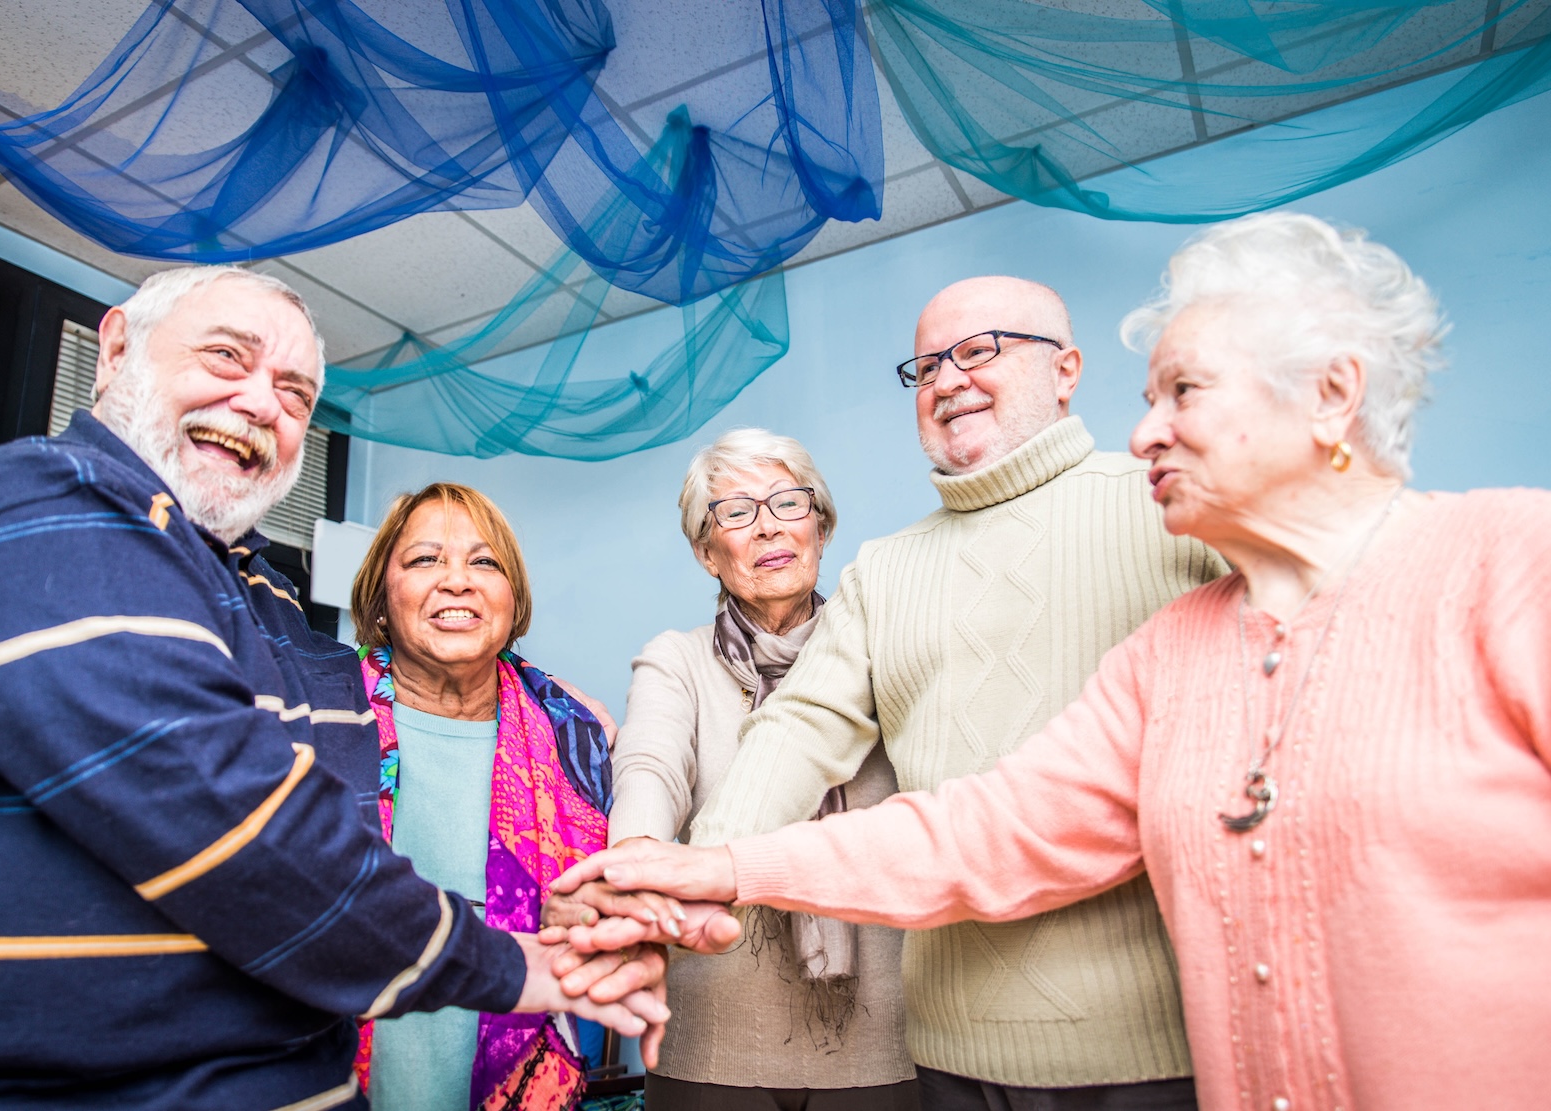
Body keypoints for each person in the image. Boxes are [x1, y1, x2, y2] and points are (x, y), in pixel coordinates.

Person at [554, 212, 1551, 1111]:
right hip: (974, 1051)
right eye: (925, 365)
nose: (1144, 429)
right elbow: (984, 828)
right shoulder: (1173, 654)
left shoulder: (1509, 565)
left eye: (1183, 391)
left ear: (1332, 393)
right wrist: (707, 868)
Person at [0, 265, 666, 1110]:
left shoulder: (264, 598)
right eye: (226, 356)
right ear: (114, 351)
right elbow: (244, 824)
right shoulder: (43, 509)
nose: (262, 403)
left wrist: (554, 713)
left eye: (295, 393)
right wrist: (521, 963)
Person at [557, 274, 1225, 1107]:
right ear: (705, 548)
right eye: (926, 367)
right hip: (947, 1054)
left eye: (978, 350)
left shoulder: (1176, 503)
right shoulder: (885, 573)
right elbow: (790, 733)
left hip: (1154, 1046)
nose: (948, 380)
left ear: (1067, 370)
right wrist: (670, 883)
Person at [549, 429, 918, 1109]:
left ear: (822, 526)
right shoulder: (677, 659)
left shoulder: (885, 649)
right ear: (705, 551)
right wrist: (636, 868)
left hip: (880, 1043)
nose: (768, 526)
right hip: (711, 1041)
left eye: (788, 502)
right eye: (737, 512)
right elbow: (649, 767)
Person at [348, 481, 628, 1110]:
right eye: (425, 559)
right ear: (382, 598)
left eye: (484, 562)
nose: (458, 581)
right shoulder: (324, 719)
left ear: (513, 599)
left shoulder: (575, 740)